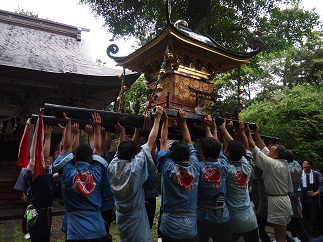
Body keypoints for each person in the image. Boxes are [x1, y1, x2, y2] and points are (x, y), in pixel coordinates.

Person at [107, 106, 163, 242]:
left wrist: (122, 133)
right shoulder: (135, 168)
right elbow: (150, 143)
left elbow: (119, 151)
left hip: (121, 215)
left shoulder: (112, 167)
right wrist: (157, 119)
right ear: (133, 156)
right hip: (136, 216)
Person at [53, 112, 109, 241]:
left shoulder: (68, 174)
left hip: (76, 231)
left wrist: (68, 124)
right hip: (98, 230)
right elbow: (98, 149)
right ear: (91, 159)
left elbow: (66, 147)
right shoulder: (95, 173)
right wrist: (97, 127)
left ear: (74, 158)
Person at [157, 109, 200, 242]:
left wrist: (165, 122)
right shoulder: (195, 167)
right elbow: (189, 142)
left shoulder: (168, 167)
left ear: (171, 155)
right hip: (190, 225)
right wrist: (183, 123)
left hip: (169, 225)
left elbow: (163, 143)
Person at [247, 124, 292, 242]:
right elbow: (263, 149)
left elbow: (254, 147)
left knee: (280, 237)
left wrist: (245, 132)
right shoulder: (279, 162)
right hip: (279, 201)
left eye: (270, 151)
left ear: (276, 156)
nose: (267, 152)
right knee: (280, 236)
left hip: (278, 202)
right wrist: (256, 133)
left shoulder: (274, 165)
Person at [219, 120, 259, 242]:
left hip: (234, 220)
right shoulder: (246, 167)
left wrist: (222, 129)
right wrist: (241, 132)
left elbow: (233, 148)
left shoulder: (227, 171)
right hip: (251, 219)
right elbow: (244, 148)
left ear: (228, 153)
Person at [197, 115, 232, 242]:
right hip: (221, 216)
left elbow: (217, 148)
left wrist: (207, 128)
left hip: (201, 217)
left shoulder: (198, 168)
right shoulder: (224, 165)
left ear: (201, 151)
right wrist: (213, 129)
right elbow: (218, 149)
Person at [300, 159, 323, 237]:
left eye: (307, 164)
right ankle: (304, 234)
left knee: (312, 217)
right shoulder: (300, 173)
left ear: (311, 166)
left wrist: (318, 191)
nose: (305, 165)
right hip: (302, 198)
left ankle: (312, 234)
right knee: (302, 216)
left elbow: (321, 184)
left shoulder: (316, 174)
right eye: (304, 164)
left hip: (312, 199)